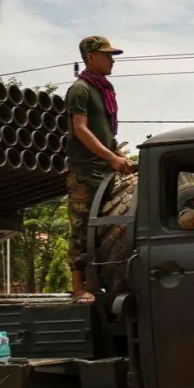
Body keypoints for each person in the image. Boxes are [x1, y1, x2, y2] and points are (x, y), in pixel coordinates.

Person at [65, 36, 137, 301]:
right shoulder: (81, 89)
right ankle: (78, 288)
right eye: (107, 55)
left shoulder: (103, 90)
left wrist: (118, 155)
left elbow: (105, 132)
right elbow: (80, 129)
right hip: (85, 172)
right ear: (91, 56)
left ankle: (96, 284)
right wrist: (110, 157)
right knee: (82, 229)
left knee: (103, 229)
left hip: (104, 170)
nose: (112, 60)